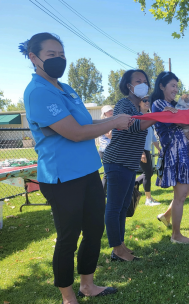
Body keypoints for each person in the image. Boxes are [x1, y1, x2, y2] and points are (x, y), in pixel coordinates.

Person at [22, 33, 133, 303]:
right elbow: (75, 132)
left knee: (94, 230)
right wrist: (113, 121)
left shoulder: (66, 88)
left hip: (88, 171)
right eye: (51, 55)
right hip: (61, 177)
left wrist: (105, 124)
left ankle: (88, 284)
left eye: (61, 55)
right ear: (33, 58)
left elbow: (84, 125)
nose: (59, 60)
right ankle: (68, 296)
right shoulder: (38, 92)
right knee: (68, 237)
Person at [103, 69, 158, 261]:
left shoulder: (138, 109)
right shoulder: (123, 105)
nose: (143, 84)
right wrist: (158, 116)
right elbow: (133, 127)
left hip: (128, 163)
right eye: (138, 81)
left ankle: (121, 245)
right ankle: (117, 250)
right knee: (115, 207)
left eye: (145, 81)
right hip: (117, 161)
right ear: (129, 86)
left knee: (124, 205)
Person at [151, 71, 189, 243]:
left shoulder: (174, 105)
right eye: (172, 86)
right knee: (180, 195)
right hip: (174, 153)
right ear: (161, 86)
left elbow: (186, 120)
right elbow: (179, 122)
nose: (176, 89)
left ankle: (166, 216)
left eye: (177, 86)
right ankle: (176, 235)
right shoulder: (159, 103)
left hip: (184, 151)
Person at [137, 95, 161, 206]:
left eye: (149, 101)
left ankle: (135, 183)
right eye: (144, 100)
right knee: (147, 173)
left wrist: (159, 149)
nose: (147, 102)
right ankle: (148, 199)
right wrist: (141, 152)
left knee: (149, 172)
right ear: (139, 103)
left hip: (146, 149)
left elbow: (152, 137)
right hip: (141, 150)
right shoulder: (139, 117)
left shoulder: (148, 117)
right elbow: (136, 135)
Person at [98, 105, 113, 193]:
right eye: (108, 111)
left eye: (111, 110)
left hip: (110, 150)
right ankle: (102, 193)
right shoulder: (103, 123)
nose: (111, 112)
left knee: (110, 173)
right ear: (104, 113)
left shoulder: (110, 122)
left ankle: (105, 192)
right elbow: (110, 136)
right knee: (107, 173)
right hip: (105, 150)